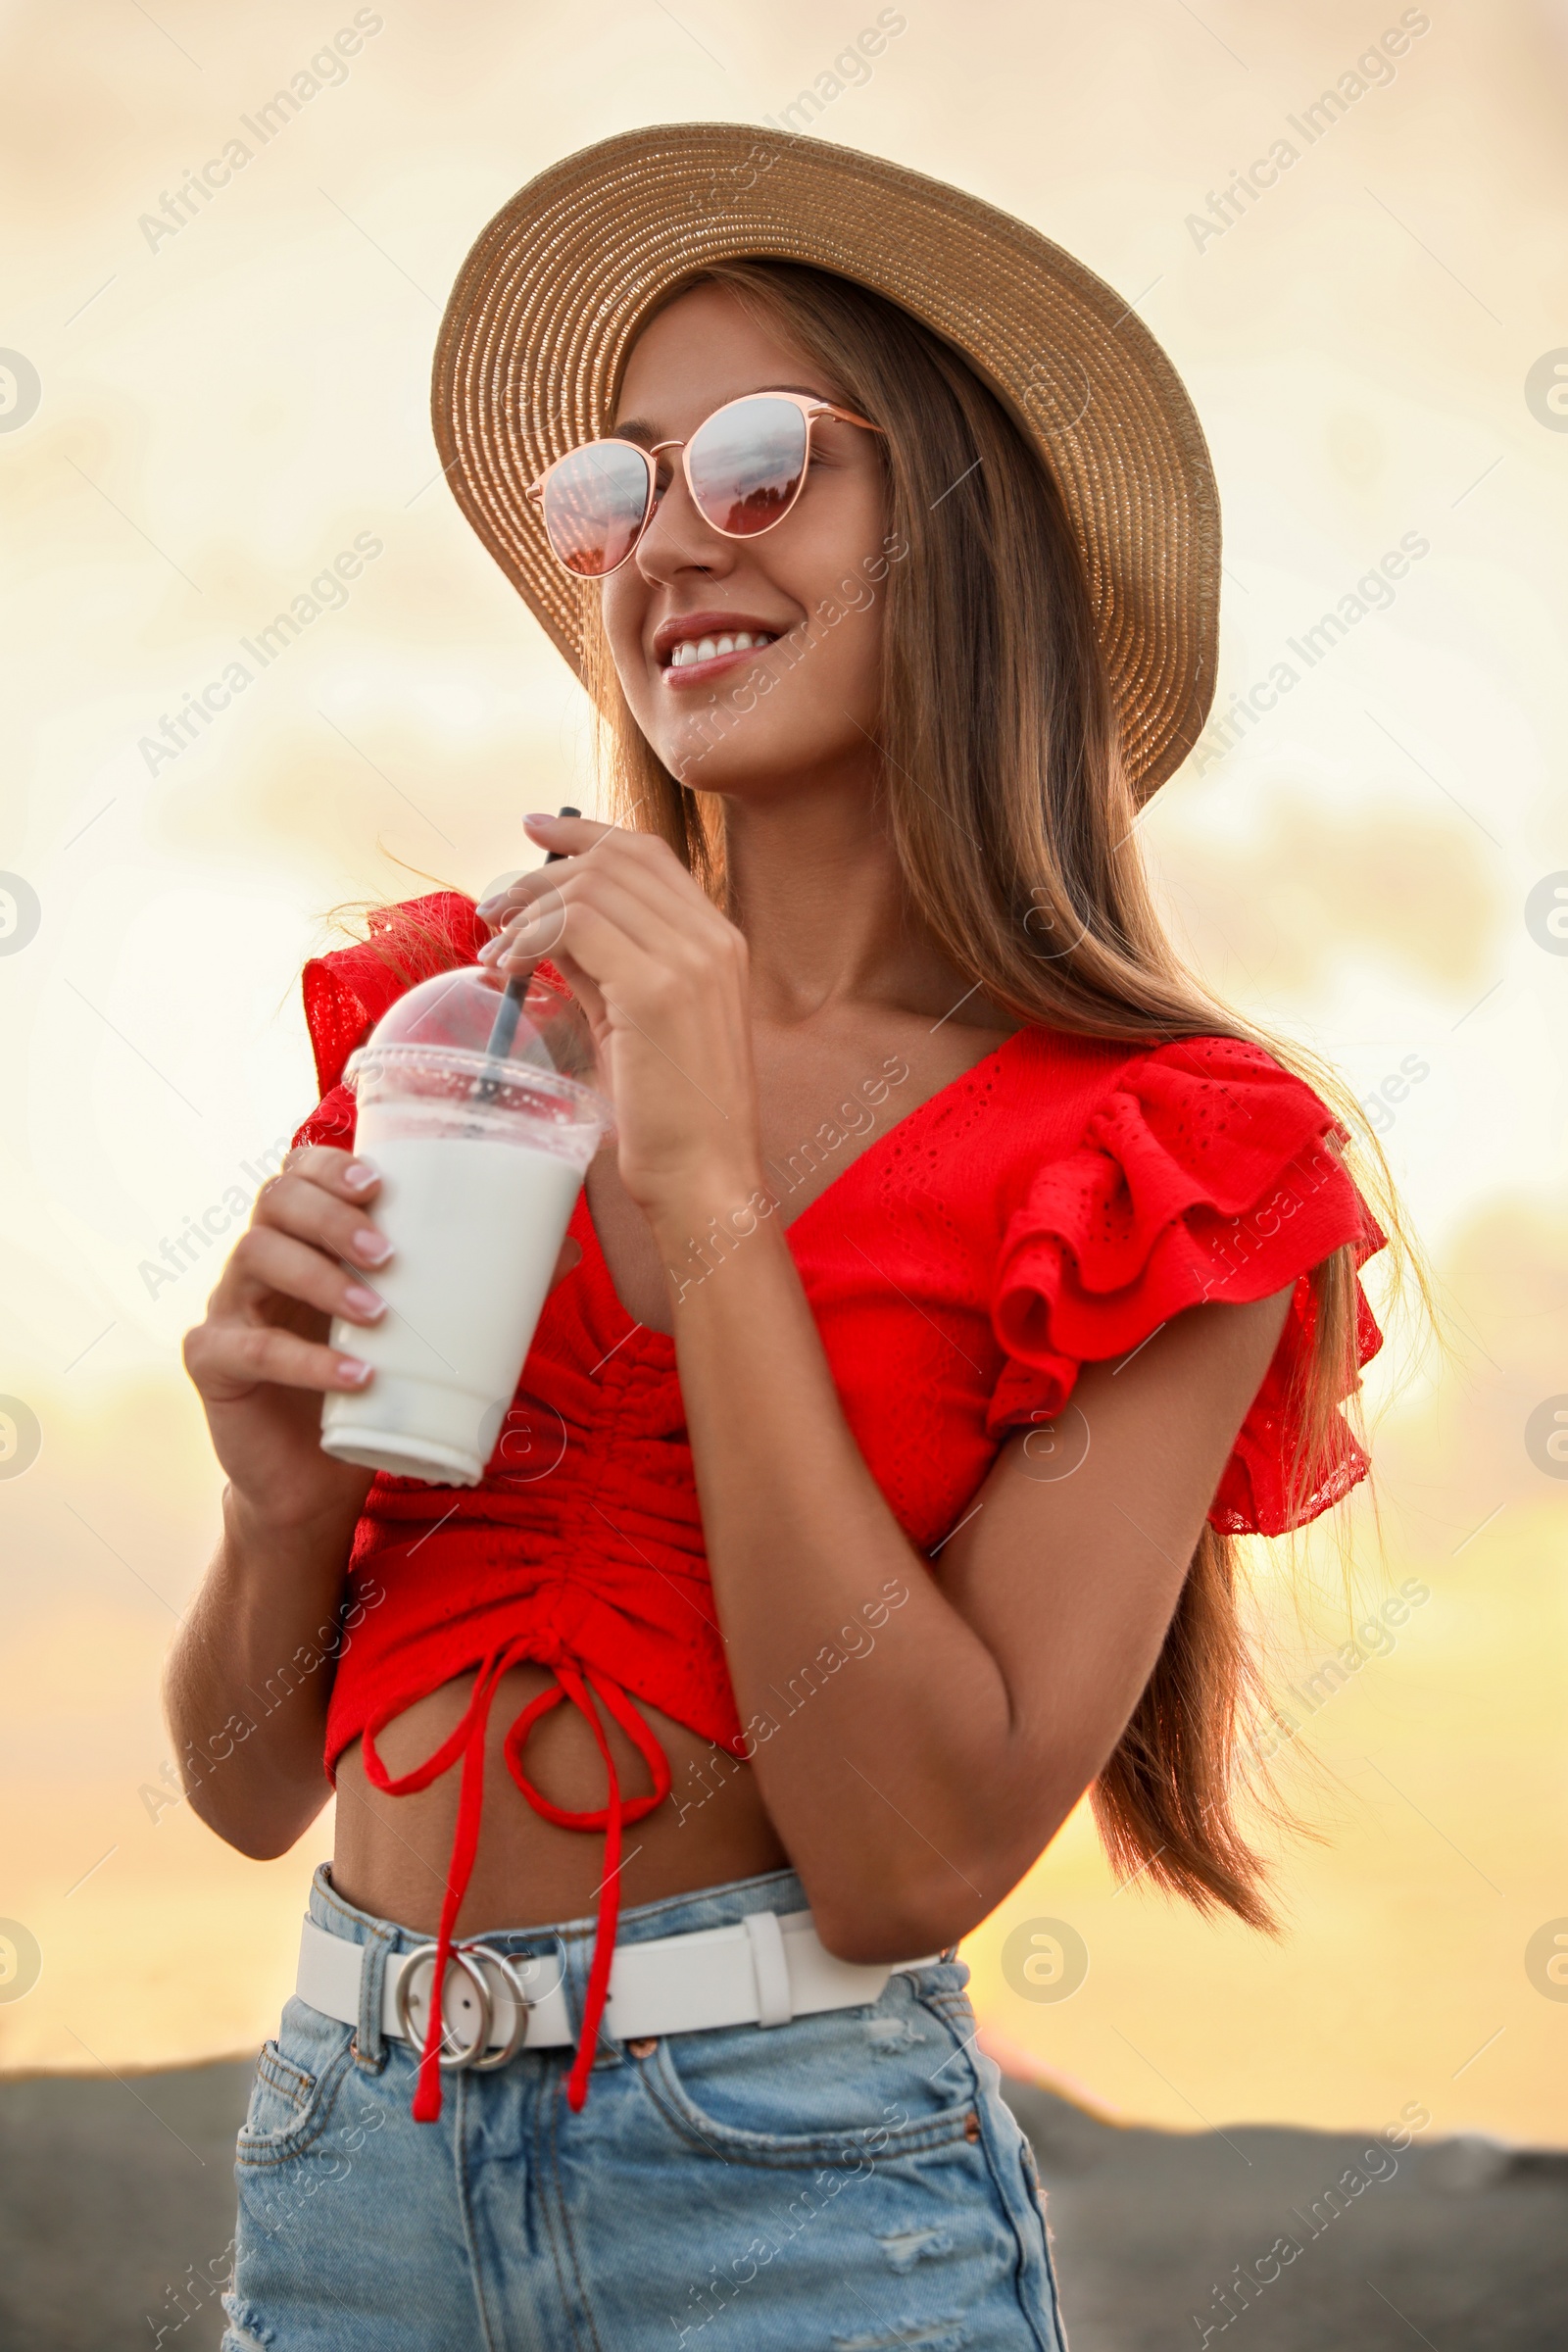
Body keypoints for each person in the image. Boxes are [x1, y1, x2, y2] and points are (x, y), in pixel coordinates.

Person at [169, 126, 1406, 2350]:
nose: (660, 549)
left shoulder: (1157, 1160)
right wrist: (275, 1516)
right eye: (612, 490)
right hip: (350, 2159)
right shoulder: (465, 1019)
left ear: (970, 539)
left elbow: (908, 1859)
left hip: (784, 2198)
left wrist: (712, 1183)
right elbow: (252, 1777)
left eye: (755, 468)